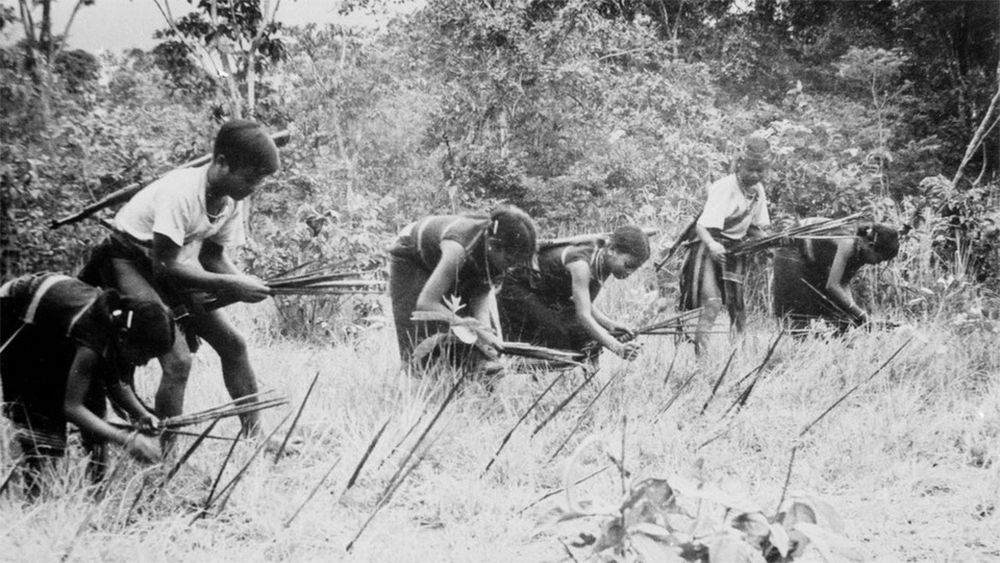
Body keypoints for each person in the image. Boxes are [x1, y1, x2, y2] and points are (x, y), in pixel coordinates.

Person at [78, 120, 279, 444]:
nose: (255, 186)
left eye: (261, 180)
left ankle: (257, 437)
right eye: (250, 177)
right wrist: (232, 286)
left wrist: (244, 282)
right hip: (127, 259)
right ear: (222, 163)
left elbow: (213, 257)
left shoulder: (230, 200)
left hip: (169, 264)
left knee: (234, 345)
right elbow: (165, 267)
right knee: (178, 360)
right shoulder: (182, 192)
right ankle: (167, 455)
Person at [1, 273, 173, 494]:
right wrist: (126, 440)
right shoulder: (93, 337)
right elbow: (72, 407)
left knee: (95, 411)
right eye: (145, 355)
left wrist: (142, 414)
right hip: (18, 318)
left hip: (56, 329)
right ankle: (34, 494)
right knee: (43, 419)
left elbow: (116, 383)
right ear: (124, 337)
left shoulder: (116, 328)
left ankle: (95, 492)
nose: (144, 363)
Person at [388, 205, 538, 374]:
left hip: (447, 258)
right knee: (420, 336)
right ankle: (421, 381)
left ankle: (466, 378)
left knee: (474, 345)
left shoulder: (497, 257)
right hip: (411, 254)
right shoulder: (458, 248)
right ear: (493, 245)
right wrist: (474, 329)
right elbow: (426, 303)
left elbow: (480, 299)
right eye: (510, 260)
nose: (511, 267)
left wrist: (487, 339)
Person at [498, 226, 649, 363]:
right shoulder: (581, 265)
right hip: (516, 287)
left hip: (544, 291)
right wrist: (617, 347)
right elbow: (583, 315)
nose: (629, 272)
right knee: (558, 335)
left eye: (634, 268)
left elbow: (582, 301)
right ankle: (511, 364)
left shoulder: (606, 260)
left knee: (583, 335)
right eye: (628, 265)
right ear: (612, 250)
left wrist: (610, 325)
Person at [678, 136, 772, 354]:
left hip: (734, 251)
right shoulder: (724, 187)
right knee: (711, 304)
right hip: (708, 248)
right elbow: (702, 226)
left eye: (760, 171)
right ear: (739, 164)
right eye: (750, 169)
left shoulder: (758, 191)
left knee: (738, 309)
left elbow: (753, 228)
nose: (755, 175)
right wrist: (712, 245)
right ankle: (701, 359)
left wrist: (770, 241)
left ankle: (738, 355)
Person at [773, 221, 900, 334]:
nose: (878, 263)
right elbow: (832, 285)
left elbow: (843, 282)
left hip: (812, 258)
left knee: (839, 319)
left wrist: (856, 315)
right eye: (879, 258)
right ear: (871, 246)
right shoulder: (848, 243)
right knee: (796, 316)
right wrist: (862, 315)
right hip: (791, 245)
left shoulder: (862, 250)